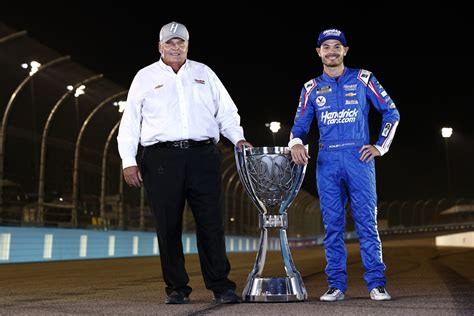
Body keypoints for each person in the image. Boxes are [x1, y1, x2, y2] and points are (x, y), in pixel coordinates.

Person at [117, 21, 252, 305]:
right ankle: (177, 288)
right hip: (161, 159)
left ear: (187, 45)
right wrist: (128, 160)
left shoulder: (204, 73)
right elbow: (130, 122)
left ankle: (221, 286)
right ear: (160, 46)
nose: (175, 47)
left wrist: (238, 139)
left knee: (211, 223)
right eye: (169, 43)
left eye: (180, 42)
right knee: (168, 225)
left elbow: (226, 112)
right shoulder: (144, 76)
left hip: (203, 156)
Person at [289, 28, 400, 302]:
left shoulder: (364, 79)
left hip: (358, 159)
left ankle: (376, 284)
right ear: (318, 52)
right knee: (332, 225)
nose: (331, 51)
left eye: (337, 46)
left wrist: (380, 146)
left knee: (367, 223)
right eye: (326, 46)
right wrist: (295, 144)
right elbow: (300, 126)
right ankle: (336, 285)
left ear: (345, 51)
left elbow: (391, 111)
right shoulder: (310, 88)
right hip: (327, 161)